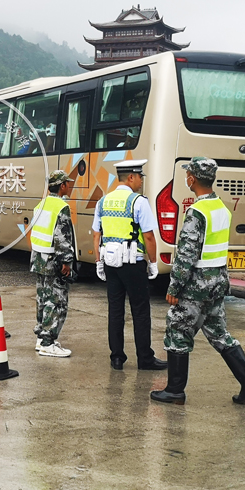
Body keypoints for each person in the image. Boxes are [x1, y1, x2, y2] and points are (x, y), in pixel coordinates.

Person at [150, 157, 245, 406]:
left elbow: (187, 254)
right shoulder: (222, 208)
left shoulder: (196, 212)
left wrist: (174, 286)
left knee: (178, 330)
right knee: (219, 334)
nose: (186, 178)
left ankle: (175, 391)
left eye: (187, 174)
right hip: (217, 282)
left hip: (196, 284)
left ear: (192, 178)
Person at [92, 159, 166, 371]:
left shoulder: (103, 202)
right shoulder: (138, 202)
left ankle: (117, 358)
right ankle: (145, 359)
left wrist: (99, 261)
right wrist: (153, 263)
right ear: (131, 177)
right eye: (140, 176)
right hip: (133, 264)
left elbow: (97, 235)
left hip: (110, 263)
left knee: (115, 310)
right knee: (140, 311)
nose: (141, 181)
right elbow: (149, 237)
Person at [30, 170, 76, 357]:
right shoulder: (61, 207)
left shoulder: (41, 205)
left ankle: (41, 338)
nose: (69, 186)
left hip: (39, 259)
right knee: (56, 302)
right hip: (53, 262)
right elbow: (62, 237)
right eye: (67, 183)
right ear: (62, 185)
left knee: (42, 299)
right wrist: (66, 261)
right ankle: (48, 342)